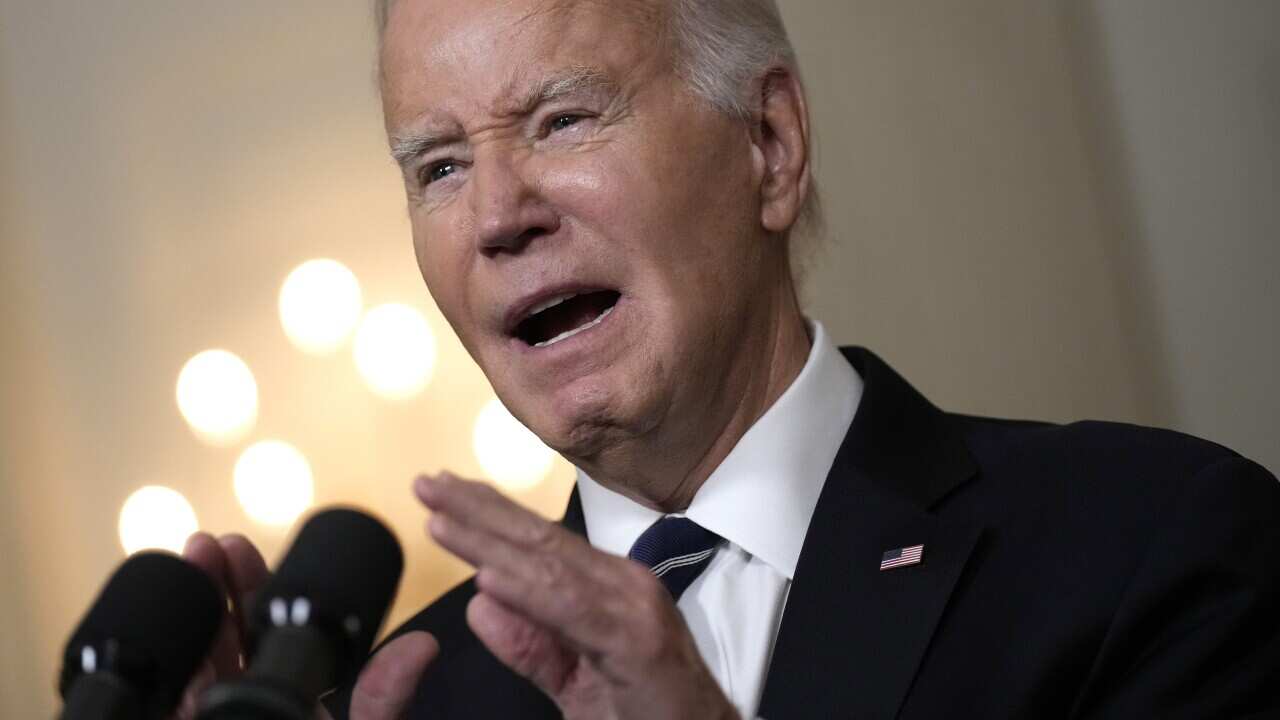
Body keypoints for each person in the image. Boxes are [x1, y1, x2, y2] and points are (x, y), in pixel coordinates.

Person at [178, 0, 1280, 718]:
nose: (497, 217)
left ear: (769, 144)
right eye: (438, 168)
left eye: (562, 120)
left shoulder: (1149, 545)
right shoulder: (407, 696)